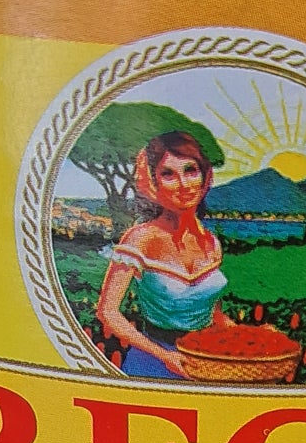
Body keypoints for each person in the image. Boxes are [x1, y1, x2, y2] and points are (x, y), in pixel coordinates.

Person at [94, 130, 228, 378]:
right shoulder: (141, 238)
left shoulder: (211, 242)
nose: (183, 184)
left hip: (206, 361)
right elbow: (108, 312)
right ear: (154, 183)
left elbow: (213, 313)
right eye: (168, 174)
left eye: (190, 170)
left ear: (205, 175)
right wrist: (165, 356)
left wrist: (250, 336)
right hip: (153, 363)